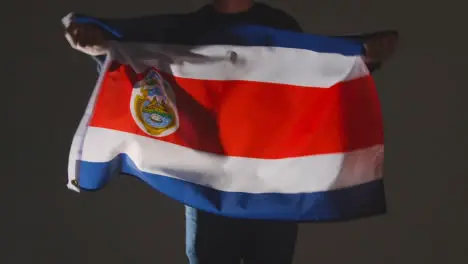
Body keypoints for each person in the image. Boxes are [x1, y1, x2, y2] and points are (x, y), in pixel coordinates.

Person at [64, 1, 398, 263]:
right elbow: (137, 58)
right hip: (209, 183)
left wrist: (363, 59)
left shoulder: (279, 25)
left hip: (272, 181)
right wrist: (100, 46)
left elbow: (315, 73)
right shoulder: (189, 29)